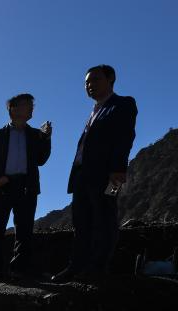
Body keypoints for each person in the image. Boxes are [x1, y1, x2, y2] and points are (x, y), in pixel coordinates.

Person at [53, 65, 137, 283]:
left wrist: (118, 170)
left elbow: (125, 137)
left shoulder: (123, 104)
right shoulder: (94, 111)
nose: (90, 85)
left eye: (95, 80)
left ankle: (98, 268)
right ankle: (76, 266)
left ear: (111, 80)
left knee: (105, 219)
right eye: (86, 82)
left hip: (107, 175)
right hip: (82, 175)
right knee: (81, 222)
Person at [0, 93, 53, 285]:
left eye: (32, 105)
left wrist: (46, 138)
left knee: (25, 229)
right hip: (2, 187)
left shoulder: (35, 135)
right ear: (13, 108)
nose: (31, 108)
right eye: (27, 104)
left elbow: (41, 160)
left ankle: (20, 270)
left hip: (27, 186)